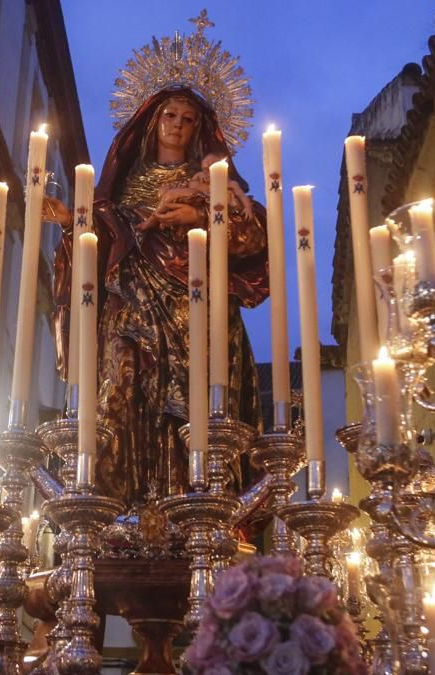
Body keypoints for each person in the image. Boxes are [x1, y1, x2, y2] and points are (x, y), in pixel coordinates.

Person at [50, 86, 269, 509]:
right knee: (124, 384)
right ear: (154, 122)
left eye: (188, 120)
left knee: (195, 398)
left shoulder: (213, 180)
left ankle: (197, 504)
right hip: (129, 302)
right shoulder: (127, 182)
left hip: (196, 304)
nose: (178, 126)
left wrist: (202, 215)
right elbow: (97, 239)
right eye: (170, 115)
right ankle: (123, 507)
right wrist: (71, 221)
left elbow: (253, 233)